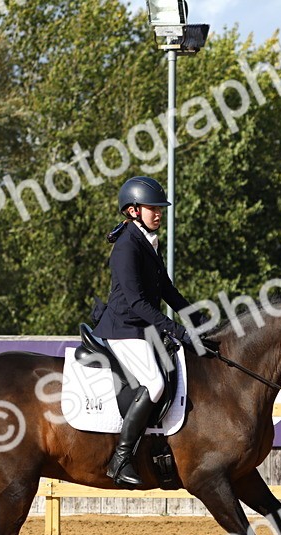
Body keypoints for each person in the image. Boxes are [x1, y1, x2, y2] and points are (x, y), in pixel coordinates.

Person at [91, 175, 218, 488]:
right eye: (153, 207)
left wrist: (197, 320)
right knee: (155, 383)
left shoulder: (147, 241)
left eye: (161, 207)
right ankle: (121, 458)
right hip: (123, 329)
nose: (159, 212)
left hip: (140, 328)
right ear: (133, 210)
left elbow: (167, 291)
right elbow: (136, 302)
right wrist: (177, 330)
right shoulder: (125, 247)